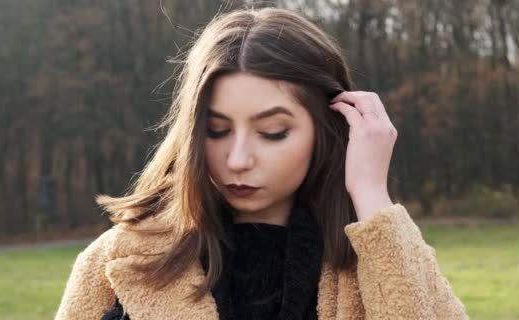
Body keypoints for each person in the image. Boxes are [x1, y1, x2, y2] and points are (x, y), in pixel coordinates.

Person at [54, 6, 469, 320]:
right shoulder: (117, 259)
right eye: (216, 131)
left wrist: (370, 192)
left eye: (272, 132)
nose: (237, 159)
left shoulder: (376, 257)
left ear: (327, 128)